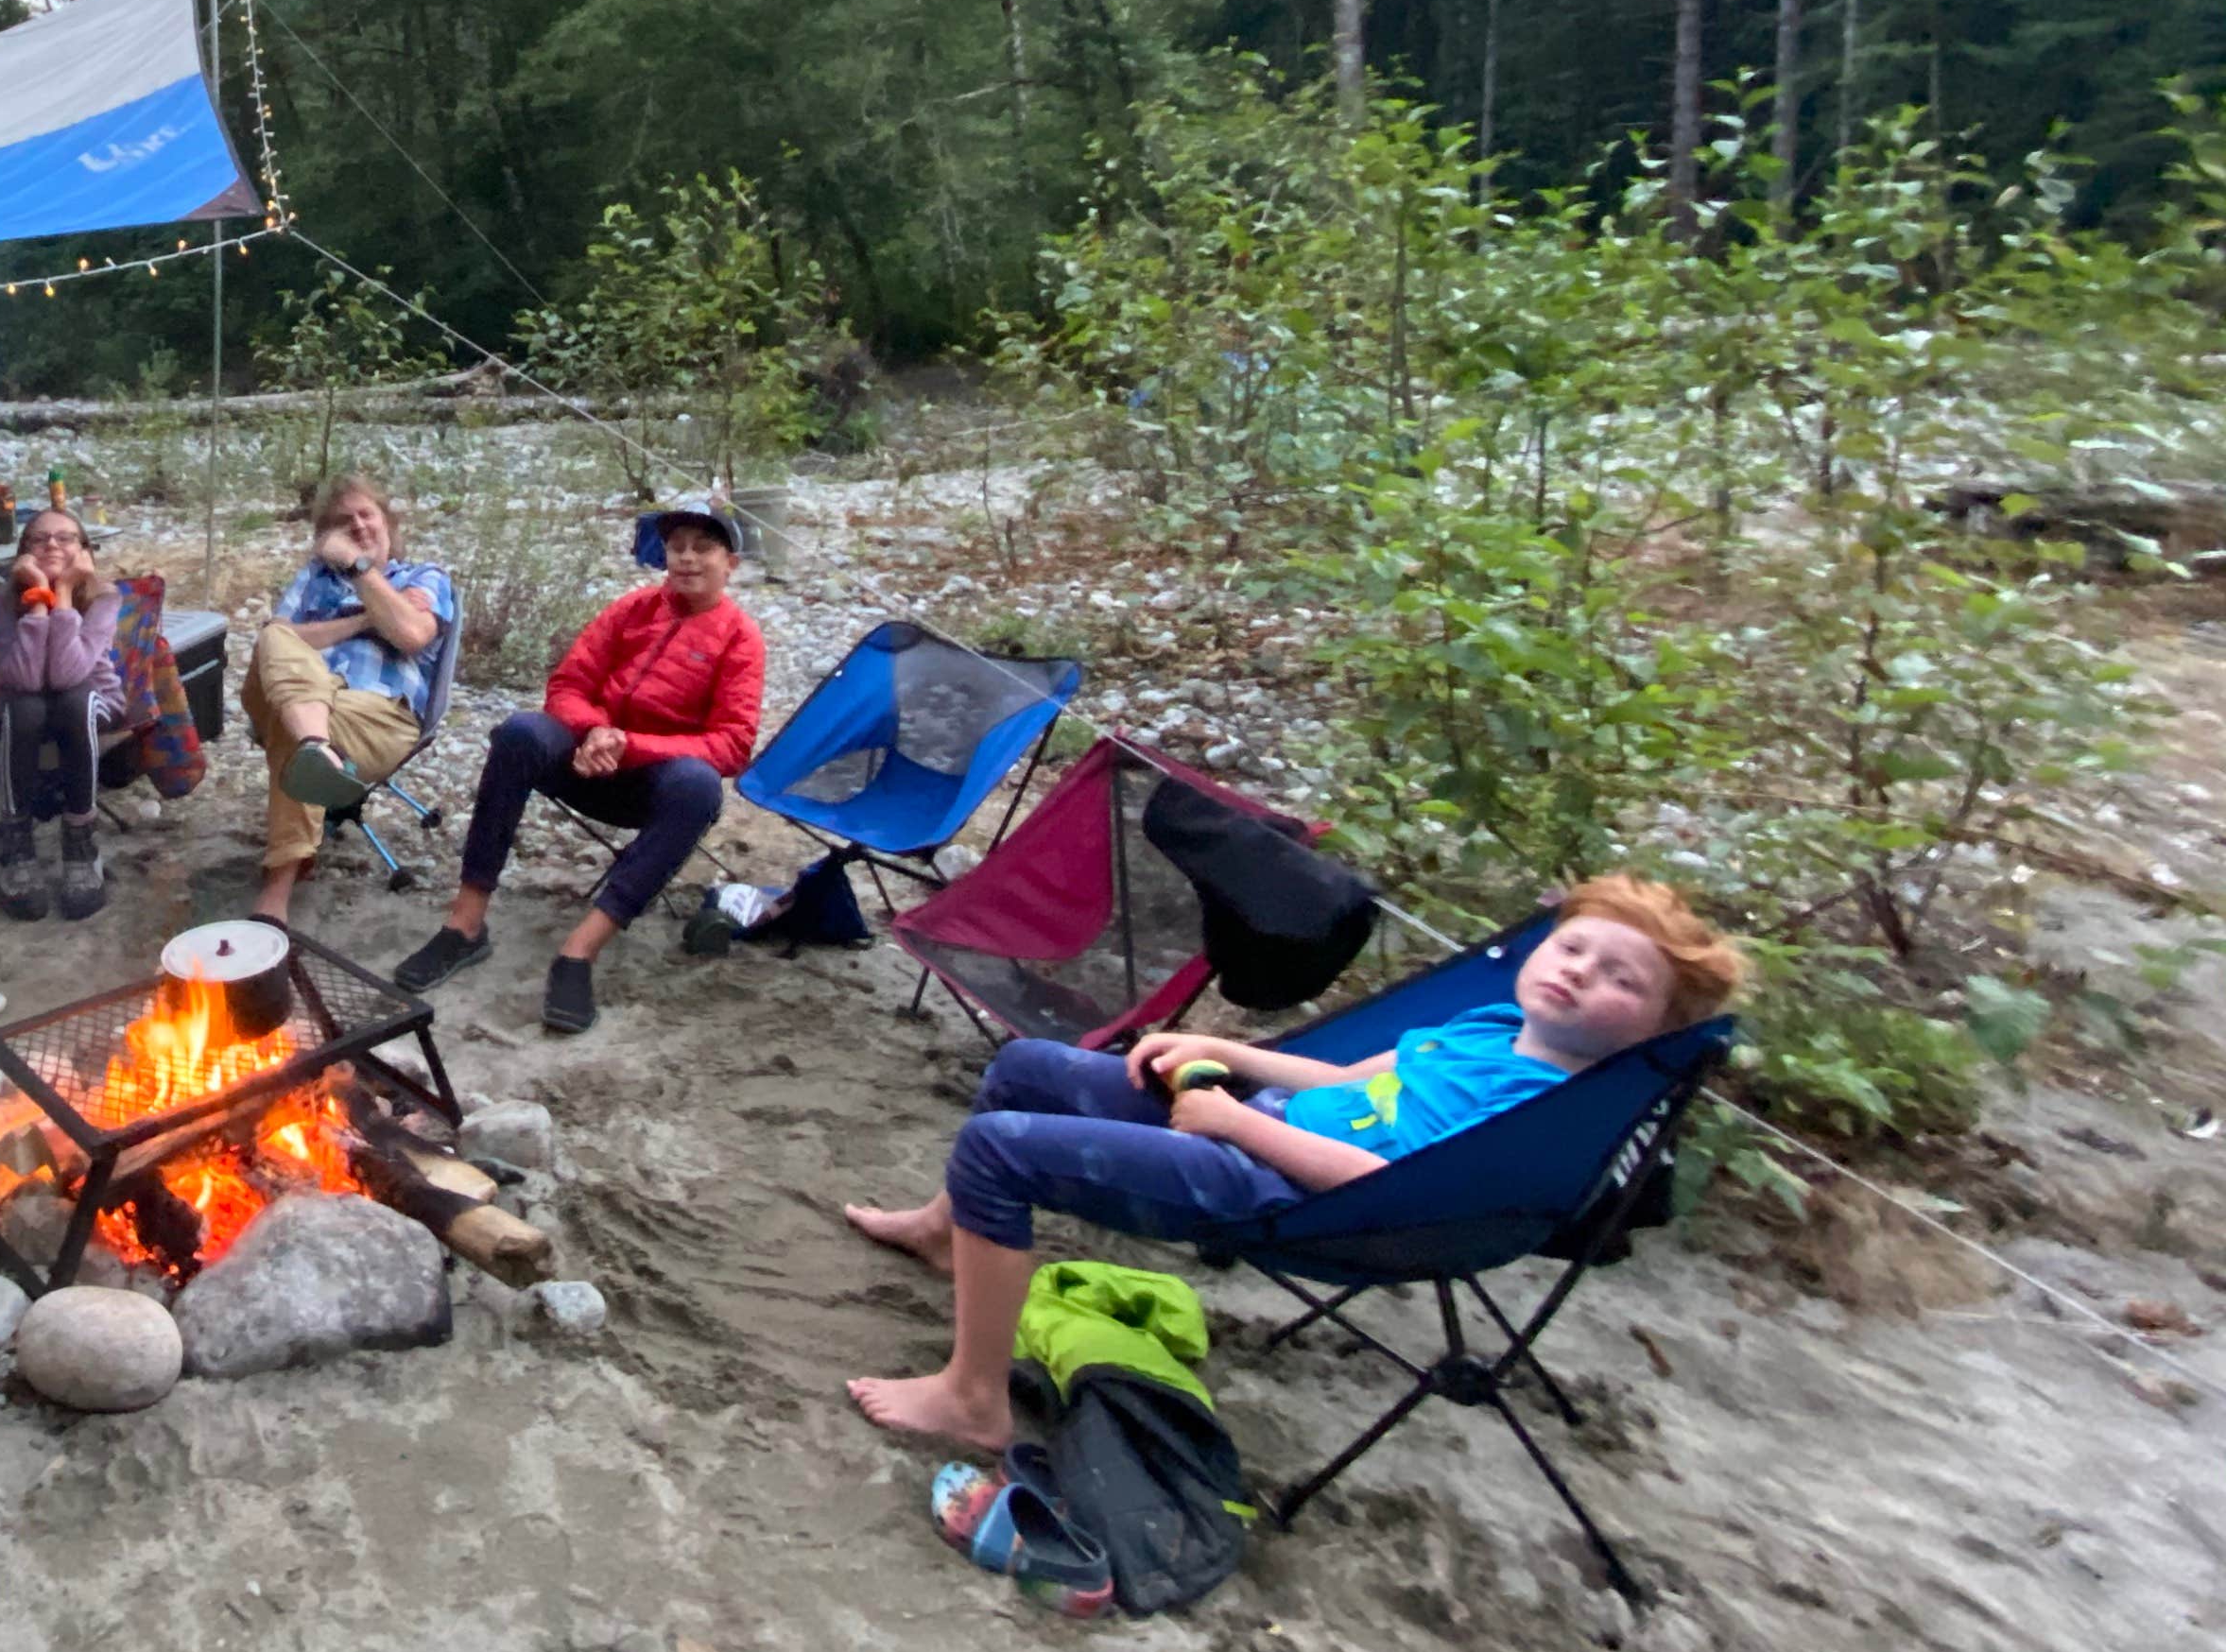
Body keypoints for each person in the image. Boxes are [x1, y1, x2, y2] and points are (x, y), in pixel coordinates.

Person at [837, 875, 1744, 1466]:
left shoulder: (1535, 1104)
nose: (1580, 973)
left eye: (1621, 978)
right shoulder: (1486, 1029)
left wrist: (1232, 1121)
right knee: (1028, 1065)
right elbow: (1352, 1079)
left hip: (1282, 1190)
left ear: (1656, 1028)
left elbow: (1375, 1181)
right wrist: (1230, 1054)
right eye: (1573, 947)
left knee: (1003, 1151)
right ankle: (940, 1231)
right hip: (1260, 1123)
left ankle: (973, 1399)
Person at [391, 497, 767, 1037]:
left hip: (651, 784)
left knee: (700, 787)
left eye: (702, 548)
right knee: (521, 733)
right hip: (585, 761)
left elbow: (731, 744)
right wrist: (594, 731)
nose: (686, 558)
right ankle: (466, 923)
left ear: (730, 563)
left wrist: (628, 744)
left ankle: (579, 952)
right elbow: (568, 684)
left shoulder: (740, 638)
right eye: (677, 547)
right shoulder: (632, 610)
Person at [244, 472, 455, 924]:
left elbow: (412, 633)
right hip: (298, 696)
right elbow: (275, 639)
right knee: (276, 640)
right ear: (326, 536)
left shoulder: (422, 576)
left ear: (388, 524)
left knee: (292, 727)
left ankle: (278, 890)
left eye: (367, 514)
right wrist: (363, 621)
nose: (358, 526)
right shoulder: (314, 578)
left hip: (376, 714)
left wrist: (360, 571)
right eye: (344, 520)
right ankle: (318, 748)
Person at [0, 503, 119, 921]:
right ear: (23, 551)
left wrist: (63, 595)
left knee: (74, 701)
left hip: (90, 700)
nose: (51, 545)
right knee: (24, 707)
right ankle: (16, 844)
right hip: (27, 703)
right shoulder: (3, 601)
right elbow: (25, 678)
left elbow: (68, 675)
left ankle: (80, 843)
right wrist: (39, 599)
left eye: (65, 537)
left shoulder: (103, 598)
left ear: (84, 550)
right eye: (39, 538)